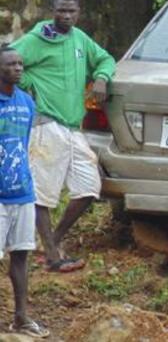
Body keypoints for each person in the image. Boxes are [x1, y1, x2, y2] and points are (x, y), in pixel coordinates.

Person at [11, 0, 116, 272]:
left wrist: (102, 78)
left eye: (71, 11)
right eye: (61, 11)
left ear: (78, 12)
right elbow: (7, 60)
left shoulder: (80, 39)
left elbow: (105, 59)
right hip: (46, 126)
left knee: (89, 187)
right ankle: (53, 257)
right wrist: (27, 81)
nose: (67, 16)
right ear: (52, 11)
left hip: (74, 128)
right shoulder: (35, 40)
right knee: (43, 194)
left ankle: (53, 241)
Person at [0, 45, 50, 338]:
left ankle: (21, 317)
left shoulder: (26, 103)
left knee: (20, 256)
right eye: (9, 64)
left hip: (22, 193)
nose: (17, 68)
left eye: (19, 64)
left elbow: (25, 143)